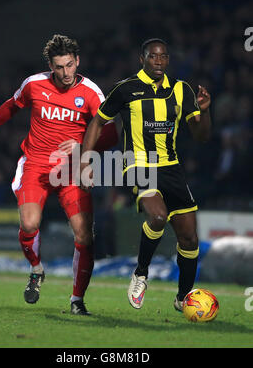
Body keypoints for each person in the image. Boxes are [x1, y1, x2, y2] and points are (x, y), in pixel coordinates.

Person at [0, 34, 118, 315]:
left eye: (70, 65)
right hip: (36, 164)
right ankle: (36, 269)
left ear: (77, 61)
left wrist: (83, 146)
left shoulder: (93, 93)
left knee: (84, 235)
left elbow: (111, 134)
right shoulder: (34, 84)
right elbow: (11, 106)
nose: (66, 73)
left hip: (71, 169)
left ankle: (77, 301)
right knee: (30, 223)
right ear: (50, 65)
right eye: (59, 67)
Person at [80, 38, 211, 312]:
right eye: (153, 56)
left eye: (163, 56)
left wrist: (205, 111)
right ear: (142, 59)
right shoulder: (125, 89)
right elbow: (98, 121)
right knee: (158, 216)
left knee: (190, 238)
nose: (159, 61)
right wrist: (85, 159)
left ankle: (183, 298)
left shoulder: (180, 89)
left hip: (171, 167)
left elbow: (201, 135)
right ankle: (140, 274)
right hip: (138, 163)